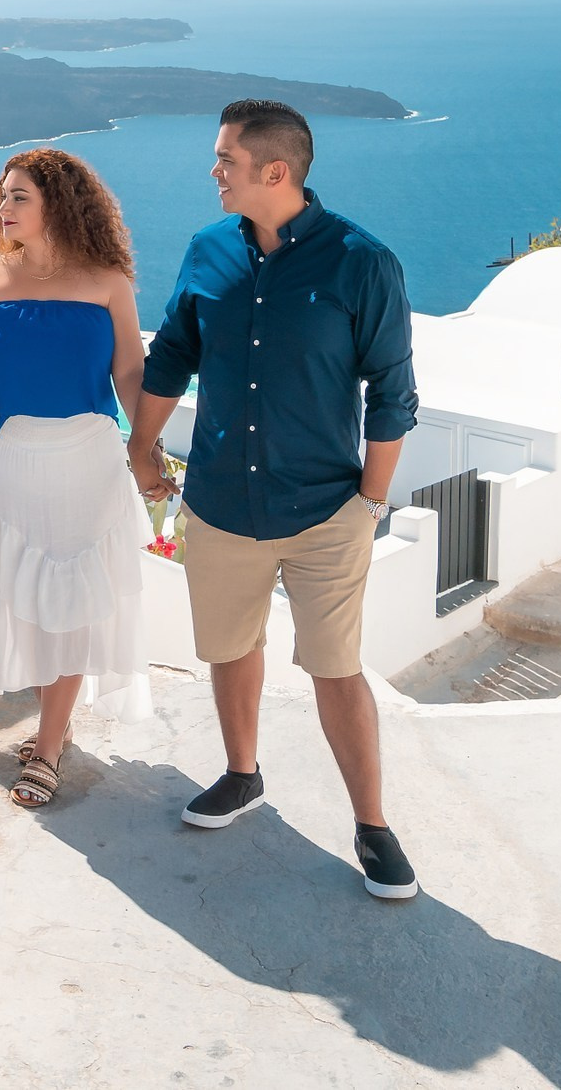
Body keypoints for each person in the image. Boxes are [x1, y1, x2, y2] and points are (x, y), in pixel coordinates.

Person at [126, 99, 422, 900]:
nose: (214, 172)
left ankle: (372, 825)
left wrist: (371, 499)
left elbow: (394, 395)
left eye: (226, 160)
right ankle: (241, 774)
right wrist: (140, 444)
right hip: (221, 500)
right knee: (229, 646)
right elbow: (172, 358)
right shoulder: (207, 250)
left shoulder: (363, 263)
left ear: (276, 172)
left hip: (327, 511)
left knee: (335, 669)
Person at [0, 147, 155, 808]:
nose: (3, 207)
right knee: (21, 602)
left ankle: (51, 741)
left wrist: (148, 444)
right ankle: (52, 721)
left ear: (58, 203)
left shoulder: (108, 281)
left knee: (71, 606)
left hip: (84, 463)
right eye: (2, 196)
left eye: (19, 196)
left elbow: (130, 374)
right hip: (2, 462)